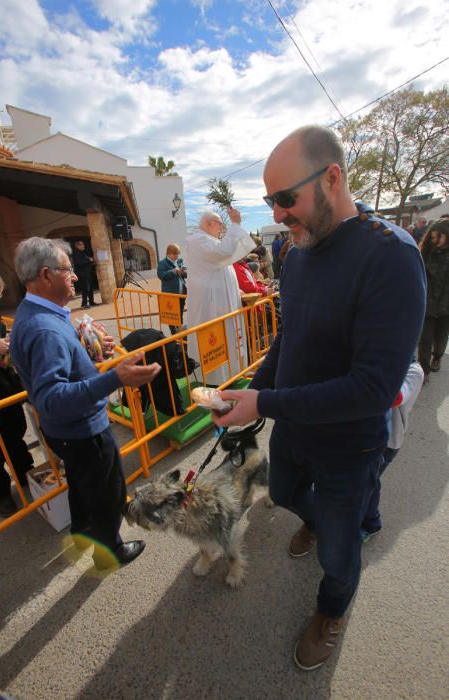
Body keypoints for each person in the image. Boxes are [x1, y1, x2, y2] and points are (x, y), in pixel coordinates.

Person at [212, 125, 426, 671]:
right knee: (282, 494)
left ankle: (331, 609)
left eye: (287, 199)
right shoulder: (296, 251)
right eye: (271, 201)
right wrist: (254, 392)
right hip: (294, 429)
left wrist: (265, 405)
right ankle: (324, 521)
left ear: (332, 178)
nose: (278, 215)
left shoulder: (391, 257)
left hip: (348, 446)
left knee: (338, 551)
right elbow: (290, 335)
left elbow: (373, 388)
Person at [10, 237, 161, 570]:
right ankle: (109, 553)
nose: (76, 276)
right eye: (69, 270)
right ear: (46, 275)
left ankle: (82, 534)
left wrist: (89, 351)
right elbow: (52, 398)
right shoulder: (44, 328)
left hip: (66, 432)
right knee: (108, 493)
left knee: (80, 484)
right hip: (81, 430)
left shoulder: (35, 312)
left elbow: (54, 372)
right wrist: (114, 378)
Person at [0, 265, 33, 517]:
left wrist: (7, 344)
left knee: (14, 434)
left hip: (5, 387)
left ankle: (26, 474)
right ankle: (0, 494)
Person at [184, 208, 254, 386]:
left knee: (228, 334)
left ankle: (231, 371)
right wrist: (235, 224)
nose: (222, 228)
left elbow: (224, 260)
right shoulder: (198, 239)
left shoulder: (209, 240)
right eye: (219, 224)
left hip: (222, 300)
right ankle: (216, 377)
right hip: (212, 303)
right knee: (216, 337)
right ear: (208, 223)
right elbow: (224, 252)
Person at [361, 360, 424, 542]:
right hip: (365, 437)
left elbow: (393, 398)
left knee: (368, 483)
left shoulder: (414, 371)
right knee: (367, 480)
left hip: (388, 442)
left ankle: (371, 523)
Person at [417, 218, 449, 380]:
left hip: (445, 307)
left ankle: (437, 356)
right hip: (427, 304)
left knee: (441, 338)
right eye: (433, 236)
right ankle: (424, 371)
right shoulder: (425, 253)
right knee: (425, 339)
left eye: (439, 236)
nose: (435, 240)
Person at [157, 244, 187, 334]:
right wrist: (174, 271)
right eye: (174, 254)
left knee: (180, 312)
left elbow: (184, 274)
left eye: (177, 254)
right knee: (172, 315)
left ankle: (180, 330)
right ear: (168, 253)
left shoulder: (179, 261)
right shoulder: (162, 263)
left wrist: (184, 272)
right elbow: (161, 275)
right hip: (171, 294)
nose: (176, 256)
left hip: (181, 292)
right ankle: (174, 334)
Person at [72, 239, 96, 309]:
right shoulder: (76, 253)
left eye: (83, 244)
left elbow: (86, 261)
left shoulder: (83, 253)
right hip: (82, 274)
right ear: (77, 246)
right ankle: (84, 304)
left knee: (90, 288)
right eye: (82, 245)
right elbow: (79, 263)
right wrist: (89, 260)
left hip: (88, 273)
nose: (83, 246)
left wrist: (92, 263)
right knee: (85, 289)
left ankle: (91, 301)